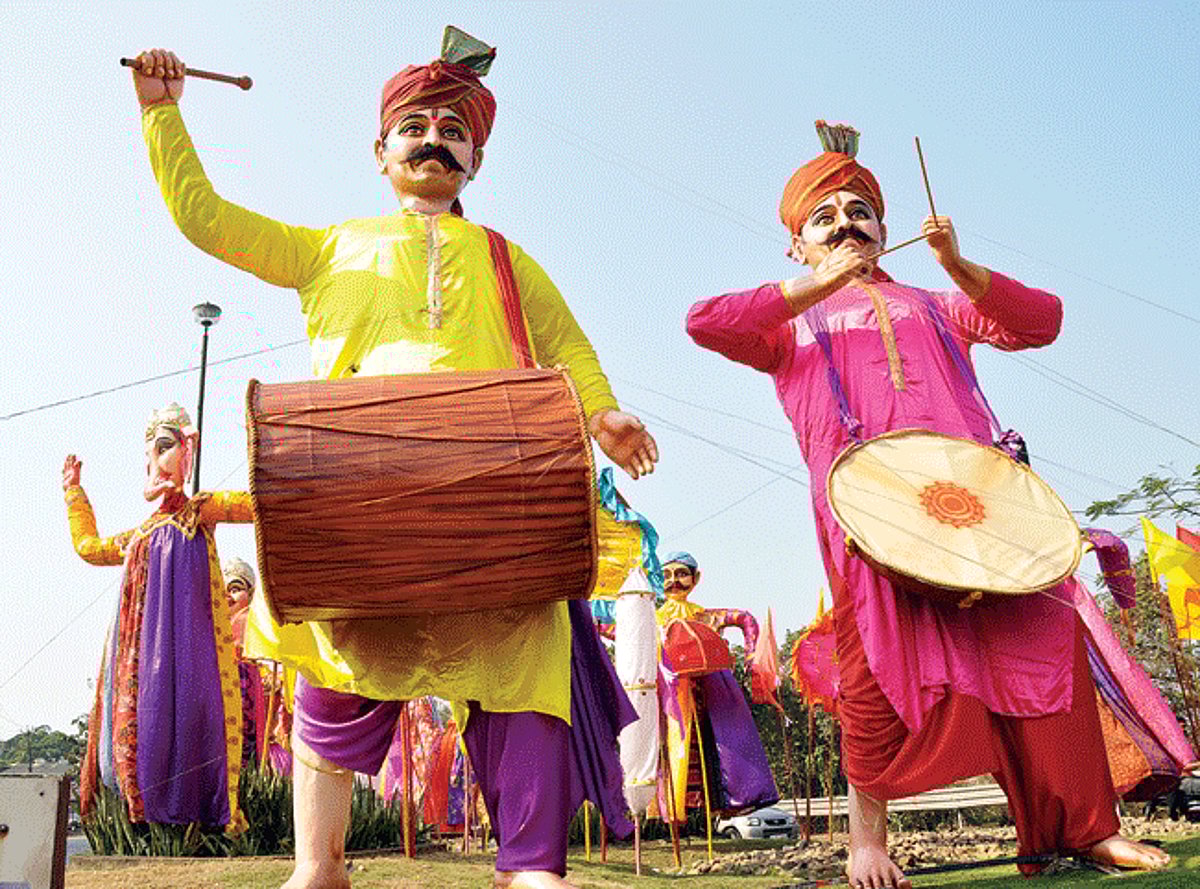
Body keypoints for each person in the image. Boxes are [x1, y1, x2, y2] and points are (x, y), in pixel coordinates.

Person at [129, 30, 656, 889]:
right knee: (339, 662)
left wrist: (603, 414)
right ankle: (320, 863)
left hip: (494, 499)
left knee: (523, 657)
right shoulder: (328, 246)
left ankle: (530, 865)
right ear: (380, 152)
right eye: (414, 127)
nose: (433, 140)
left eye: (453, 130)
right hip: (360, 501)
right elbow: (207, 220)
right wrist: (163, 116)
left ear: (476, 161)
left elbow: (567, 345)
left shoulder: (506, 258)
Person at [686, 121, 1170, 888]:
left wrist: (958, 265)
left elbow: (1041, 321)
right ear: (796, 246)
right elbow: (704, 321)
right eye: (825, 217)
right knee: (874, 674)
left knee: (1045, 640)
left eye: (861, 212)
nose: (847, 224)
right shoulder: (790, 328)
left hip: (981, 516)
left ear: (885, 230)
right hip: (870, 526)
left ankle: (1088, 830)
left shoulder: (939, 306)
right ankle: (867, 845)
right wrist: (821, 284)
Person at [63, 403, 251, 831]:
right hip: (140, 654)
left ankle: (196, 817)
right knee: (144, 722)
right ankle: (145, 816)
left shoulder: (199, 512)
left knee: (194, 716)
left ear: (187, 450)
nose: (157, 461)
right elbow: (90, 548)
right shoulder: (140, 535)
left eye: (166, 446)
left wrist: (265, 454)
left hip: (190, 647)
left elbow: (252, 505)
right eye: (151, 451)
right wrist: (74, 493)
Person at [655, 552, 777, 821]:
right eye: (666, 575)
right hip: (672, 696)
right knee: (673, 752)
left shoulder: (708, 617)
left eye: (681, 574)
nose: (673, 581)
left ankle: (728, 801)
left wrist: (751, 657)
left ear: (696, 578)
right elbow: (617, 630)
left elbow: (746, 619)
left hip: (711, 693)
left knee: (720, 750)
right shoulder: (653, 620)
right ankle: (675, 812)